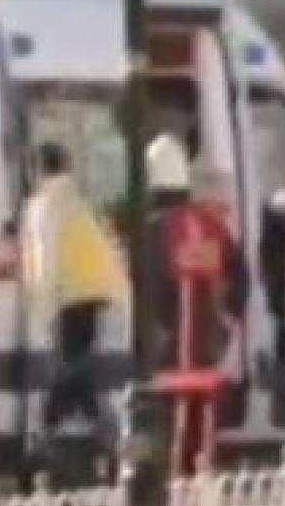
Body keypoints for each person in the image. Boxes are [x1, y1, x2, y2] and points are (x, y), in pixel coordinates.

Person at [142, 134, 249, 475]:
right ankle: (202, 477)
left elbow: (148, 288)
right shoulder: (212, 224)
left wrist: (158, 328)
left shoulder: (156, 230)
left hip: (171, 347)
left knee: (173, 422)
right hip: (210, 343)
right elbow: (240, 275)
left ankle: (177, 480)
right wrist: (229, 319)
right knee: (204, 417)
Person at [20, 142, 127, 454]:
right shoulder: (78, 201)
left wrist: (41, 308)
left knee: (69, 367)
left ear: (38, 170)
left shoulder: (42, 206)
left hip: (69, 295)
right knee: (76, 364)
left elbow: (46, 259)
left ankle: (52, 429)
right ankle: (96, 425)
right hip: (95, 293)